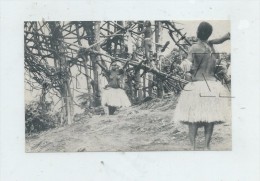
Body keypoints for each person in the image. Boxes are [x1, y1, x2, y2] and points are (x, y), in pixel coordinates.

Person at [172, 21, 231, 150]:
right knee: (210, 118)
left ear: (198, 32)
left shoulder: (194, 47)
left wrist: (185, 69)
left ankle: (193, 147)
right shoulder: (212, 48)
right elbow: (216, 64)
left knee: (193, 118)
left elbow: (187, 64)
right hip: (212, 86)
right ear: (209, 34)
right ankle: (206, 146)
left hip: (197, 85)